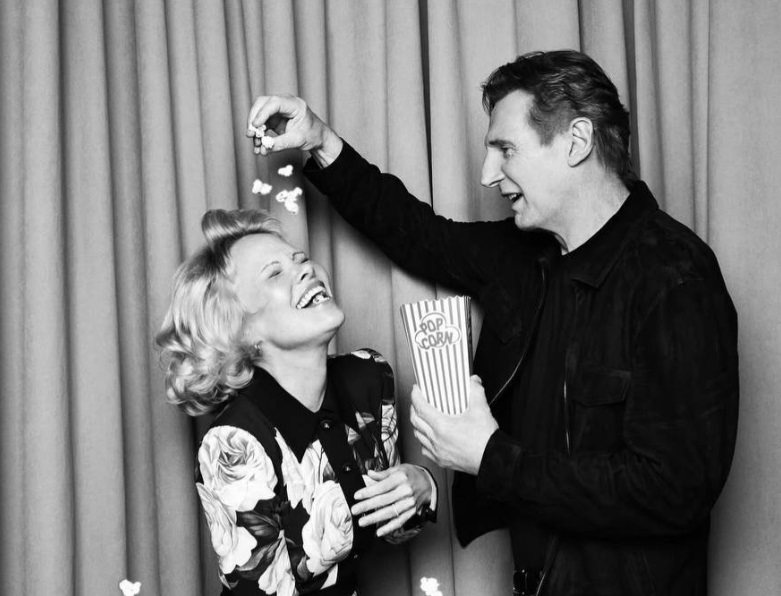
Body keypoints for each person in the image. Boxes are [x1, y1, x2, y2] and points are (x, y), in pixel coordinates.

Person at [246, 49, 739, 596]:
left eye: (505, 149)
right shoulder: (524, 255)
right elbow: (416, 232)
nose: (487, 174)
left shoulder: (676, 280)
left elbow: (674, 490)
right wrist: (320, 141)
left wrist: (490, 457)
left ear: (577, 141)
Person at [155, 209, 437, 596]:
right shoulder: (234, 445)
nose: (305, 269)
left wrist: (424, 485)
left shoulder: (370, 375)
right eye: (274, 273)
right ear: (239, 329)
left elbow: (391, 527)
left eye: (300, 259)